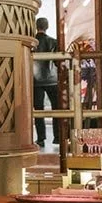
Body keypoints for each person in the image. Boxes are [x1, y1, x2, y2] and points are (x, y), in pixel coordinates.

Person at [33, 17, 60, 148]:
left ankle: (41, 139)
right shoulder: (53, 41)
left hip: (35, 81)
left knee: (38, 111)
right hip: (52, 80)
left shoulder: (32, 43)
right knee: (56, 110)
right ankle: (57, 137)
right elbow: (57, 62)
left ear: (36, 26)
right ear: (47, 26)